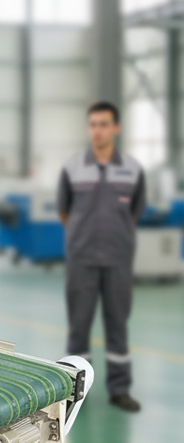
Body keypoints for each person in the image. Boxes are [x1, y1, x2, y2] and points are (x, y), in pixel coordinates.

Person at [57, 102, 146, 412]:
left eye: (104, 124)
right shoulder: (73, 167)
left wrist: (115, 237)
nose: (98, 130)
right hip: (81, 259)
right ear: (89, 128)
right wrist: (81, 237)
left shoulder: (132, 170)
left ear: (116, 128)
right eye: (93, 124)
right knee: (78, 326)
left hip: (118, 259)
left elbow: (135, 210)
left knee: (117, 325)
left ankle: (120, 390)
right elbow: (64, 209)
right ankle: (73, 392)